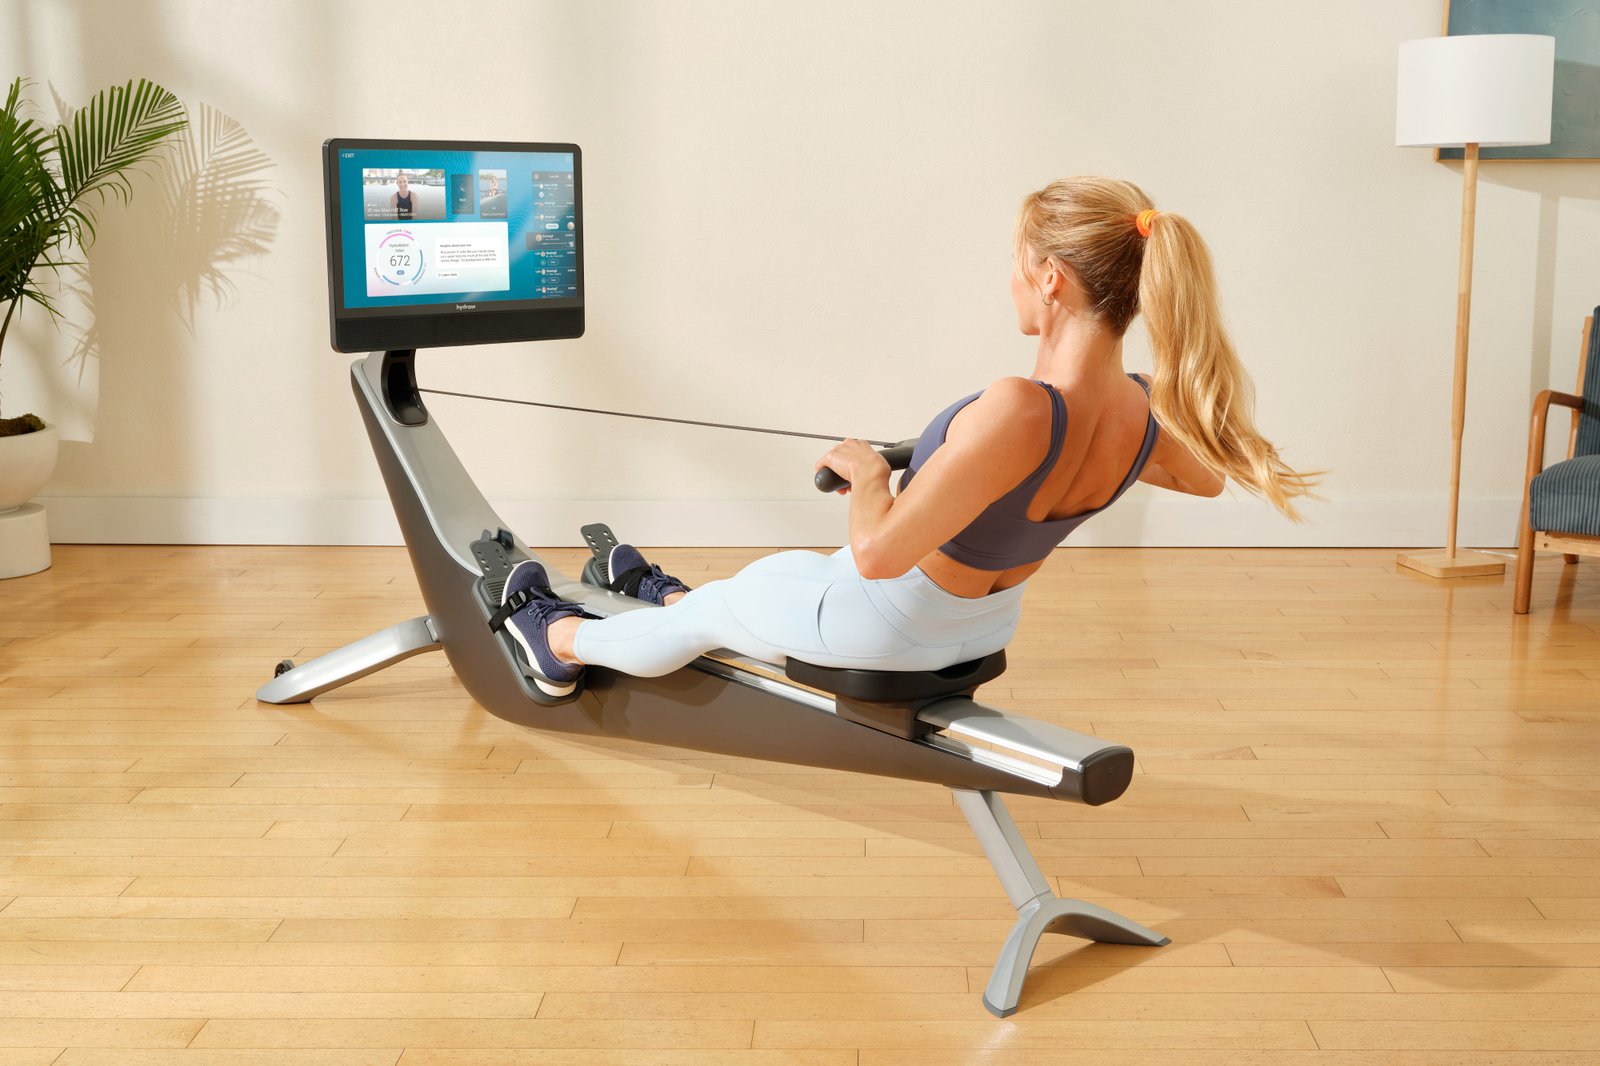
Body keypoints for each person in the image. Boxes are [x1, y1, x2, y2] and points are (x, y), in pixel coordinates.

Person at [500, 177, 1318, 696]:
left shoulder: (1019, 407)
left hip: (888, 625)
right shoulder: (1141, 412)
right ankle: (665, 597)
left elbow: (879, 556)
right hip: (982, 626)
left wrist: (870, 476)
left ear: (1051, 278)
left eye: (1017, 262)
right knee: (770, 583)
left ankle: (559, 642)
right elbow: (1204, 478)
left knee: (719, 608)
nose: (1010, 279)